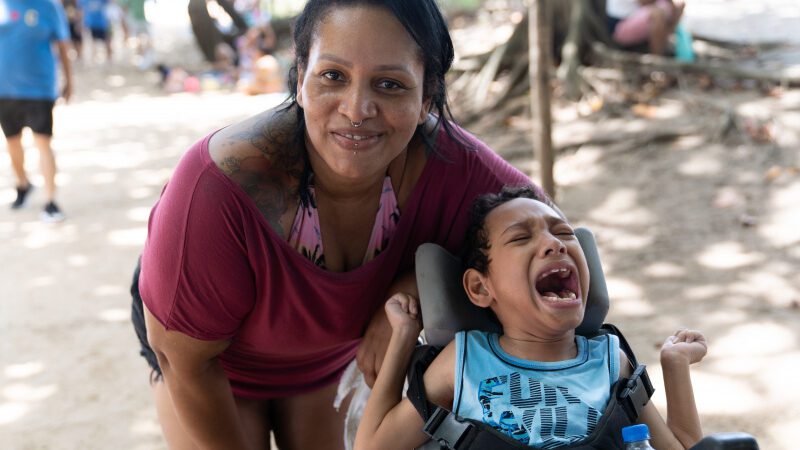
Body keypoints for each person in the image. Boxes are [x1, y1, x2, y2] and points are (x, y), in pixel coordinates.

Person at [131, 1, 550, 449]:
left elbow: (551, 244)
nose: (356, 109)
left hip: (321, 359)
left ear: (426, 98)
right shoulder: (222, 185)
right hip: (208, 363)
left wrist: (416, 289)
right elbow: (185, 362)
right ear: (300, 72)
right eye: (333, 76)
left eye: (389, 85)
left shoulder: (456, 167)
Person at [354, 186, 708, 450]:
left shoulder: (611, 362)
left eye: (565, 233)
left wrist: (674, 365)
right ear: (479, 287)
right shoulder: (463, 362)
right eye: (521, 237)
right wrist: (403, 337)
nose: (555, 244)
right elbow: (374, 446)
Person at [1, 0, 73, 222]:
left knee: (43, 142)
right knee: (13, 142)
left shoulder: (49, 7)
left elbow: (62, 45)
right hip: (5, 87)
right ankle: (23, 184)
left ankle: (51, 201)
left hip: (40, 87)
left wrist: (69, 81)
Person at [606, 0, 685, 56]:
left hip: (635, 18)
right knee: (657, 14)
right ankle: (656, 62)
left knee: (678, 5)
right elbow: (644, 1)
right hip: (619, 27)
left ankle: (664, 43)